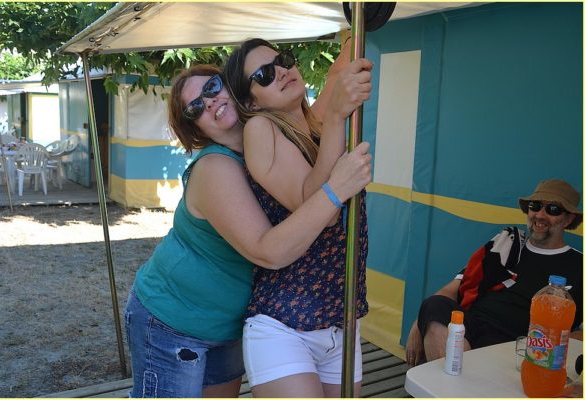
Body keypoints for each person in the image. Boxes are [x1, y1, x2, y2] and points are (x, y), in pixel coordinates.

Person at [125, 62, 373, 397]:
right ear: (195, 128)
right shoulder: (214, 167)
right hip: (172, 318)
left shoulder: (275, 136)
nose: (209, 102)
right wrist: (336, 191)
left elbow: (331, 91)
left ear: (234, 87)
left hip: (228, 323)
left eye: (212, 87)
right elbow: (267, 252)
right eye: (195, 107)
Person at [224, 38, 372, 397]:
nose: (281, 71)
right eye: (264, 74)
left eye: (284, 60)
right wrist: (336, 117)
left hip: (339, 321)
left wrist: (360, 23)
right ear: (250, 101)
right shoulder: (261, 129)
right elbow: (314, 202)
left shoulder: (312, 123)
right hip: (285, 323)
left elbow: (340, 69)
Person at [405, 179, 583, 367]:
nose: (539, 215)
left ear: (569, 219)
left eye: (553, 209)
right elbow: (451, 290)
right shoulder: (508, 242)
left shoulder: (579, 265)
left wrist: (541, 347)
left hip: (520, 346)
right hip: (471, 328)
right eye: (535, 206)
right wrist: (419, 324)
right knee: (434, 305)